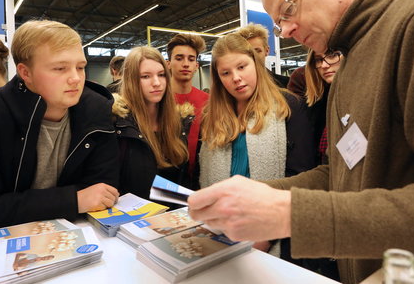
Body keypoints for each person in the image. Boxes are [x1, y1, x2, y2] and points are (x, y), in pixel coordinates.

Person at [188, 0, 414, 284]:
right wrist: (258, 198)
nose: (286, 31)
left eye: (288, 9)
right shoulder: (348, 62)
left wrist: (291, 214)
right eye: (278, 23)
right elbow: (338, 173)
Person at [0, 20, 120, 261]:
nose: (75, 78)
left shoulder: (97, 110)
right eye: (60, 68)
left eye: (81, 67)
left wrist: (16, 205)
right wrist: (74, 200)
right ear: (26, 73)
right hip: (0, 257)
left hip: (80, 251)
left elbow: (102, 192)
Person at [198, 33, 317, 256]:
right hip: (221, 227)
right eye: (226, 73)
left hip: (270, 231)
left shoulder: (287, 106)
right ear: (218, 78)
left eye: (242, 67)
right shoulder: (212, 115)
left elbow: (300, 176)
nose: (236, 78)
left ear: (255, 63)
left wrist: (268, 234)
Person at [112, 46, 191, 200]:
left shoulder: (178, 122)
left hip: (173, 218)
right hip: (131, 218)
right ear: (131, 80)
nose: (156, 83)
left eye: (161, 75)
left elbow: (181, 181)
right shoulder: (117, 124)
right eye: (145, 76)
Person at [166, 34, 209, 189]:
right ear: (168, 64)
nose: (185, 64)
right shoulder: (159, 100)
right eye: (179, 58)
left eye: (191, 59)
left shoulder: (208, 101)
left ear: (197, 65)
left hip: (198, 181)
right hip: (165, 181)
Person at [237, 23, 289, 87]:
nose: (253, 57)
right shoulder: (235, 86)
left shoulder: (286, 84)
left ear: (267, 51)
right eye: (247, 53)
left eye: (257, 51)